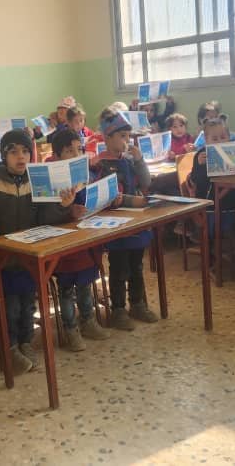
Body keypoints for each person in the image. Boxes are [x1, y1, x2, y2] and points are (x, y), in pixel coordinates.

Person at [0, 129, 76, 372]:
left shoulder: (37, 183)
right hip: (3, 262)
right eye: (14, 152)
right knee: (9, 308)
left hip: (29, 260)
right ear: (3, 156)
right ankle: (9, 348)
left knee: (28, 305)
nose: (21, 157)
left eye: (25, 151)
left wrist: (62, 205)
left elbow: (46, 216)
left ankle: (26, 342)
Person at [93, 108, 158, 330]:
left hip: (135, 223)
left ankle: (138, 304)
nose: (126, 141)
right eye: (122, 136)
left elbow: (146, 182)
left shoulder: (130, 160)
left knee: (137, 267)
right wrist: (133, 201)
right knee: (119, 269)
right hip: (115, 225)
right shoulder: (99, 164)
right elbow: (108, 197)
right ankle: (118, 310)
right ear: (107, 137)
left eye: (128, 136)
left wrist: (140, 161)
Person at [49, 130, 110, 350]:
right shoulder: (50, 180)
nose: (76, 155)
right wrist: (67, 210)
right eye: (69, 151)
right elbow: (46, 214)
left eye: (79, 149)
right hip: (63, 243)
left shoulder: (86, 175)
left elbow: (91, 201)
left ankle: (88, 320)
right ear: (57, 156)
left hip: (84, 239)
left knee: (85, 284)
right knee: (66, 289)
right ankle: (70, 328)